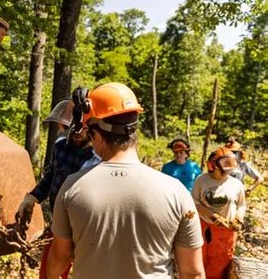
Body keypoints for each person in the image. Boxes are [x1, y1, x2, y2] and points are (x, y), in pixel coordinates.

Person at [48, 83, 205, 279]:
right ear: (134, 131)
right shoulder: (176, 191)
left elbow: (59, 257)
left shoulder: (72, 187)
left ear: (95, 134)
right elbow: (193, 273)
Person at [18, 98, 100, 279]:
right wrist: (33, 197)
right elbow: (50, 178)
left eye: (82, 129)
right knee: (48, 274)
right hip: (60, 225)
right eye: (67, 128)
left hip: (86, 230)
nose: (75, 134)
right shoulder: (60, 147)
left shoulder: (99, 159)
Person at [191, 147, 246, 279]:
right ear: (214, 164)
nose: (227, 170)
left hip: (226, 230)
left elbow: (241, 204)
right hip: (203, 225)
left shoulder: (236, 184)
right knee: (199, 258)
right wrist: (211, 215)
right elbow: (194, 202)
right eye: (225, 165)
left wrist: (238, 218)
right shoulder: (201, 180)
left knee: (221, 261)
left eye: (230, 165)